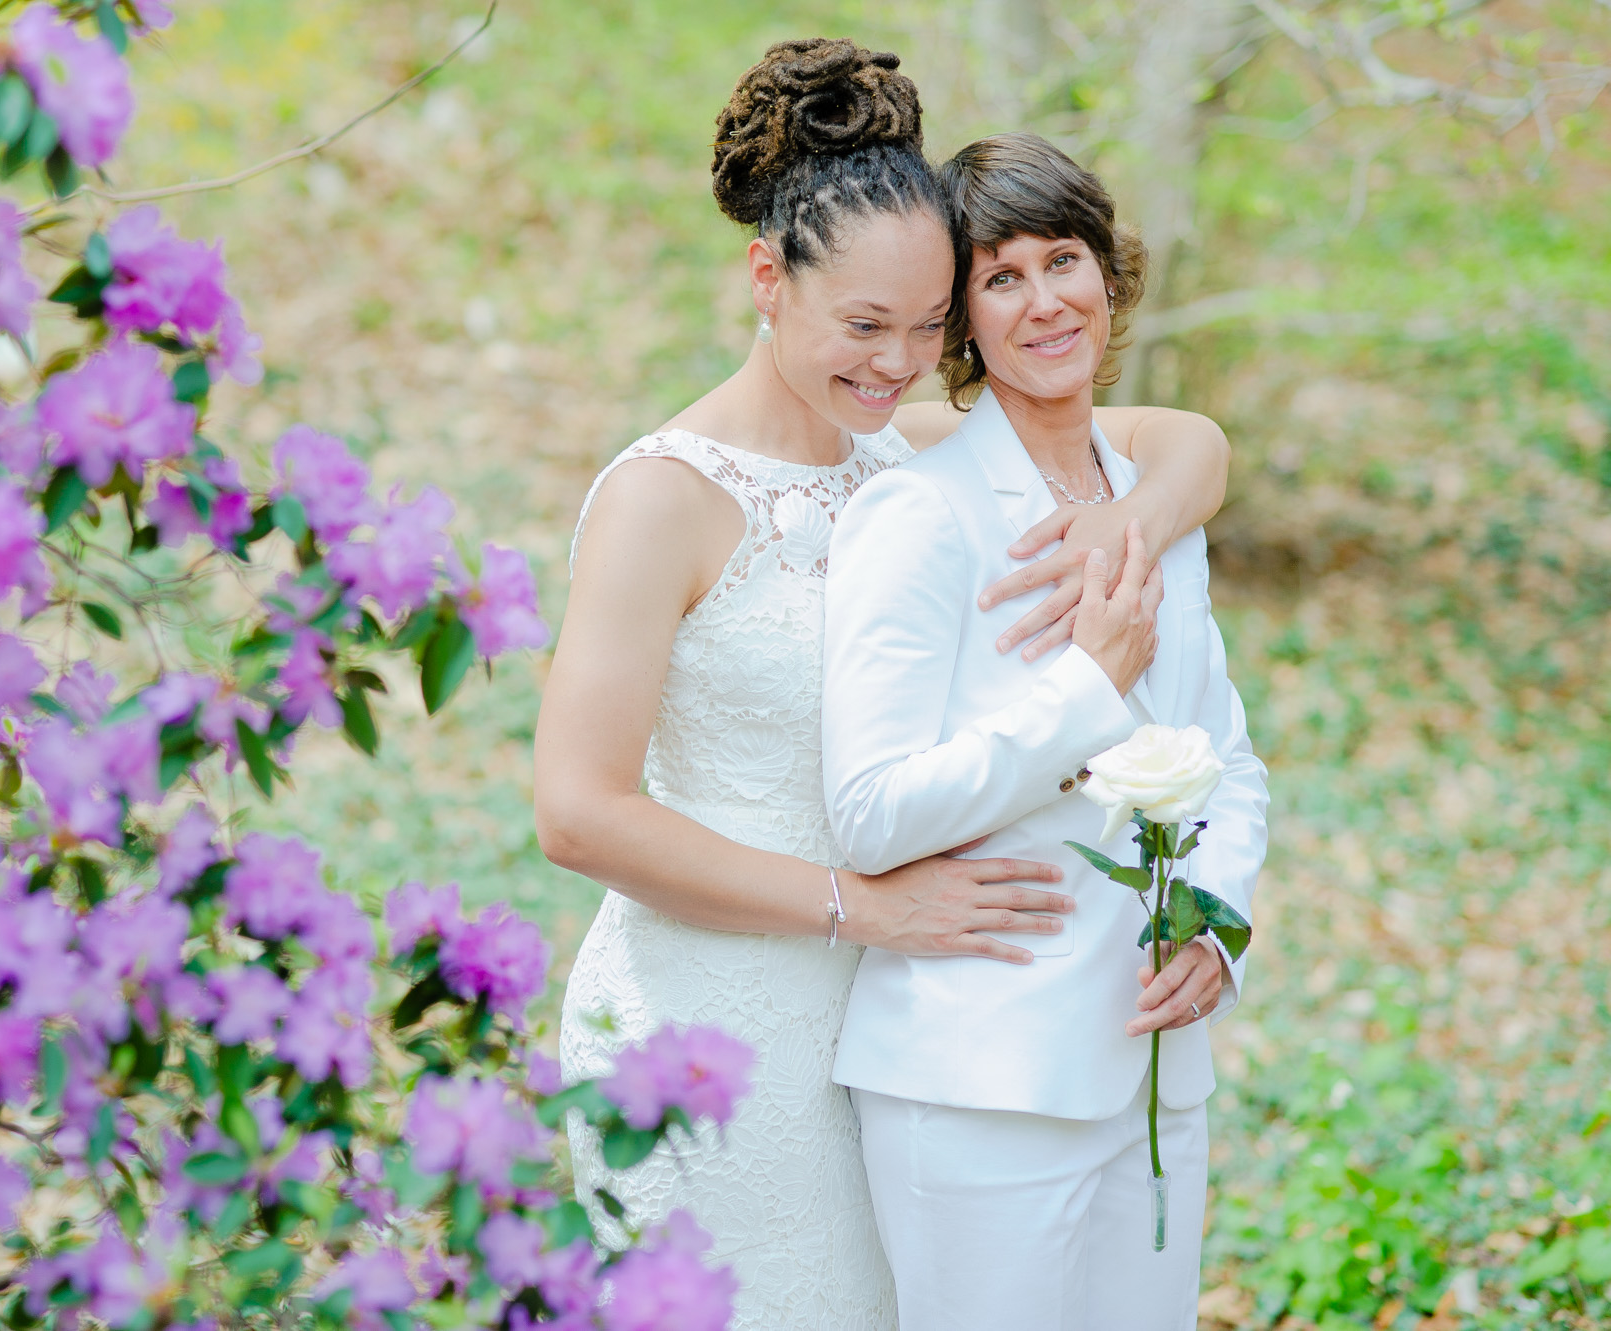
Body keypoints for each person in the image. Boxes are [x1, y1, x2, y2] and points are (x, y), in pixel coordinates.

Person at [534, 41, 1232, 1328]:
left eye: (924, 328)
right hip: (718, 1013)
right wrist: (860, 906)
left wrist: (1124, 527)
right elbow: (577, 813)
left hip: (896, 1025)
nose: (897, 363)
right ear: (764, 278)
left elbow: (1185, 444)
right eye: (862, 325)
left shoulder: (888, 446)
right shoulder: (662, 499)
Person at [820, 131, 1272, 1330]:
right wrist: (1083, 685)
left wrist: (1215, 926)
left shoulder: (1154, 505)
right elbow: (867, 810)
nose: (1042, 301)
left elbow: (1222, 754)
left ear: (1107, 276)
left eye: (1061, 259)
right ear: (962, 320)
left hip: (1151, 1066)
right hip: (976, 1075)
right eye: (999, 276)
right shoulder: (918, 516)